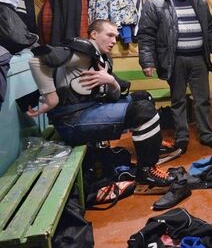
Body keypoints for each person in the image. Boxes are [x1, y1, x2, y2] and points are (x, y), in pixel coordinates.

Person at [26, 19, 172, 194]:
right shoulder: (82, 53)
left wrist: (110, 80)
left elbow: (115, 95)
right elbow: (37, 61)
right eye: (109, 35)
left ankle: (150, 142)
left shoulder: (103, 58)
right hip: (72, 120)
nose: (113, 41)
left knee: (144, 97)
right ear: (94, 35)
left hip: (90, 108)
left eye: (116, 37)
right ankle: (146, 171)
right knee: (144, 112)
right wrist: (51, 99)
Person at [138, 0, 212, 153]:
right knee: (178, 100)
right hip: (174, 60)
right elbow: (146, 35)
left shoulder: (199, 1)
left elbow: (209, 29)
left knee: (202, 100)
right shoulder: (155, 3)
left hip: (199, 59)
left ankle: (207, 136)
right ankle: (182, 137)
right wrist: (147, 61)